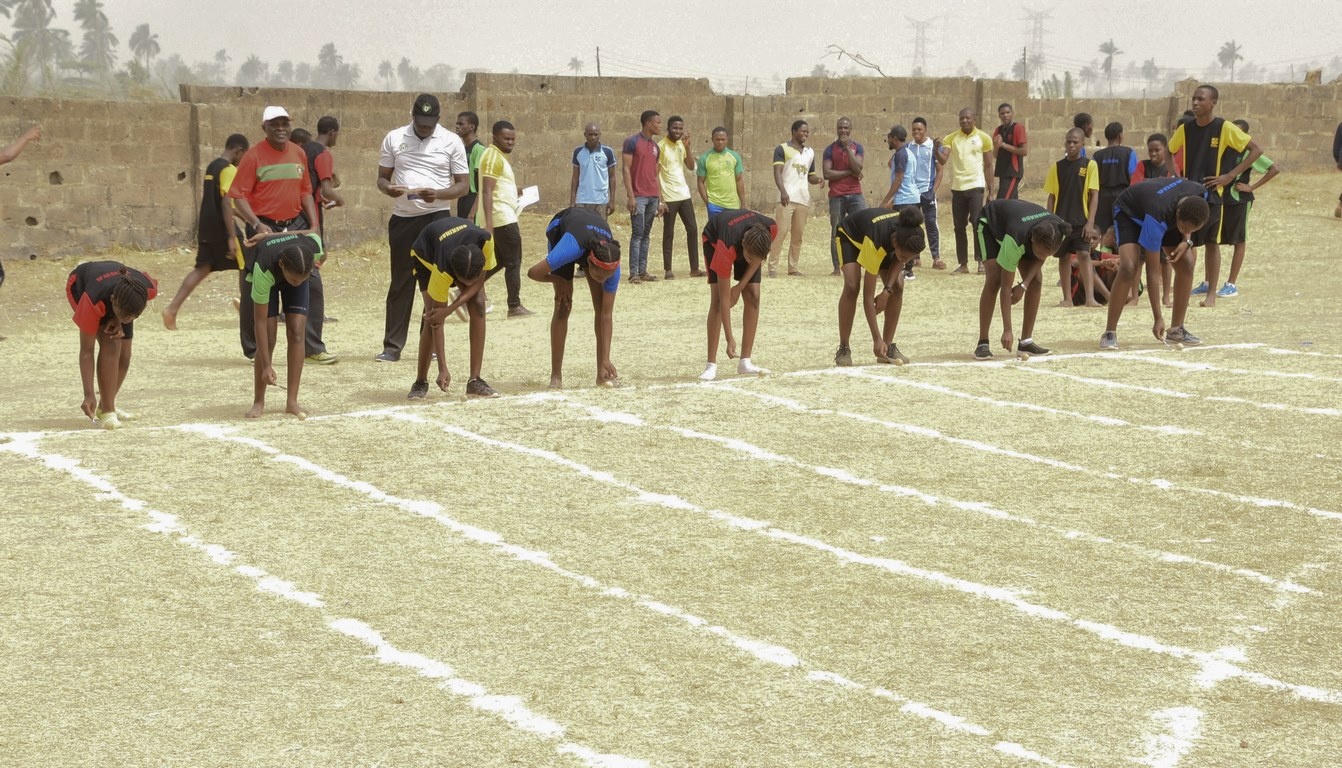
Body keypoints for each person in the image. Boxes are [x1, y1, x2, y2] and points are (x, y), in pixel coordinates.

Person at [375, 94, 469, 362]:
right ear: (412, 115)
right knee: (401, 282)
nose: (424, 128)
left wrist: (438, 194)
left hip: (437, 219)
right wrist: (389, 189)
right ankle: (392, 347)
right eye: (420, 122)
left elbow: (463, 184)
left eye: (430, 124)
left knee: (435, 283)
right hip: (403, 219)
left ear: (438, 119)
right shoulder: (394, 138)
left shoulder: (451, 141)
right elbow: (382, 178)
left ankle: (433, 344)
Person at [229, 106, 320, 361]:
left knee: (306, 279)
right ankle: (256, 351)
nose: (280, 128)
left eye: (284, 123)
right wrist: (257, 224)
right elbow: (238, 197)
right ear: (264, 128)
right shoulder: (253, 156)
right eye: (274, 124)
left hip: (294, 226)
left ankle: (313, 346)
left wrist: (314, 224)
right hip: (263, 228)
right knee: (257, 287)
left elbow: (305, 192)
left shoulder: (299, 153)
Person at [1169, 84, 1262, 308]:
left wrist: (1229, 176)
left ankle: (1211, 294)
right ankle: (1181, 292)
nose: (1195, 102)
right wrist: (1178, 177)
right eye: (1194, 98)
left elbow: (1256, 150)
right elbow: (1169, 151)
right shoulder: (1186, 129)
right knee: (1186, 242)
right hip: (1189, 194)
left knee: (1212, 242)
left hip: (1213, 195)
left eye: (1201, 99)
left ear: (1213, 103)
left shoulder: (1225, 128)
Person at [1099, 178, 1211, 350]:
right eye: (1184, 228)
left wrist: (1186, 240)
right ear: (1178, 213)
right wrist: (1157, 317)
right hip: (1129, 213)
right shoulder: (1158, 215)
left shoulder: (1200, 194)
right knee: (1129, 267)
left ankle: (1176, 330)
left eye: (1191, 231)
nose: (1187, 232)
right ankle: (1109, 332)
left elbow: (1188, 226)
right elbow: (1152, 272)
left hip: (1165, 215)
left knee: (1187, 263)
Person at [527, 207, 623, 388]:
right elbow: (533, 273)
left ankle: (602, 374)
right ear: (588, 263)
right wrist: (558, 280)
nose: (603, 280)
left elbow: (606, 315)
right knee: (563, 305)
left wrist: (606, 358)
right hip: (564, 228)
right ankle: (556, 376)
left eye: (606, 278)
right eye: (598, 276)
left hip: (591, 232)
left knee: (600, 304)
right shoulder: (569, 248)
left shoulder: (612, 267)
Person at [406, 216, 500, 399]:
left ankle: (475, 381)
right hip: (425, 254)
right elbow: (436, 321)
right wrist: (443, 368)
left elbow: (479, 281)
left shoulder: (486, 242)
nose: (467, 285)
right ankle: (420, 381)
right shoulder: (442, 270)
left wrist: (451, 308)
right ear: (454, 275)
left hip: (457, 249)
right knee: (430, 316)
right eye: (464, 282)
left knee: (479, 305)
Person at [162, 133, 248, 331]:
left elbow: (219, 201)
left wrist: (243, 216)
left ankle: (172, 309)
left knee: (202, 268)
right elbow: (226, 202)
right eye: (243, 156)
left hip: (207, 228)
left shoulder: (213, 166)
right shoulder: (229, 169)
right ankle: (247, 306)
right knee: (248, 264)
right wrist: (232, 236)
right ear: (238, 151)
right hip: (223, 229)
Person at [974, 200, 1069, 360]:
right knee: (995, 278)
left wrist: (1024, 285)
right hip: (991, 226)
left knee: (1036, 280)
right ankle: (983, 342)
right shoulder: (1016, 238)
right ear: (1033, 240)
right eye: (1040, 253)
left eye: (1048, 254)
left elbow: (1042, 257)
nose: (1043, 257)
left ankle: (1026, 341)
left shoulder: (1059, 229)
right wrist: (1007, 329)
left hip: (1019, 230)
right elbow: (1006, 288)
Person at [66, 262, 157, 429]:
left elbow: (127, 313)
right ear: (113, 301)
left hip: (123, 302)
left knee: (125, 356)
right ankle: (108, 412)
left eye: (133, 317)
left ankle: (106, 405)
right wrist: (88, 394)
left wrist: (119, 318)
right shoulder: (92, 301)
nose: (128, 320)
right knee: (112, 344)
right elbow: (86, 351)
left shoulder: (144, 291)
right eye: (124, 316)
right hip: (80, 286)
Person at [833, 206, 926, 367]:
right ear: (896, 242)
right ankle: (844, 347)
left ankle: (887, 347)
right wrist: (876, 338)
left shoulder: (912, 233)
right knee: (852, 285)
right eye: (904, 256)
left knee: (898, 286)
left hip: (884, 244)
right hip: (851, 237)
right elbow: (868, 297)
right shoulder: (877, 240)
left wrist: (887, 291)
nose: (905, 261)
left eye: (908, 259)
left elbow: (899, 260)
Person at [243, 232, 320, 419]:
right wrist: (267, 366)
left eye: (304, 278)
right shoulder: (264, 268)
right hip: (269, 278)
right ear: (282, 265)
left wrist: (299, 280)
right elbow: (259, 322)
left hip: (295, 269)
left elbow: (309, 234)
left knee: (297, 333)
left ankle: (292, 401)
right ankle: (258, 401)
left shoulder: (313, 249)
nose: (298, 284)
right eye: (295, 280)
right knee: (268, 338)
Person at [699, 209, 777, 381]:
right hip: (714, 240)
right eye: (748, 257)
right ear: (743, 244)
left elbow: (756, 260)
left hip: (749, 246)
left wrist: (740, 287)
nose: (750, 261)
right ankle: (711, 364)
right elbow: (725, 297)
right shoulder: (726, 245)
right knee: (719, 301)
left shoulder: (770, 229)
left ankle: (745, 362)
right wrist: (729, 338)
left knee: (754, 296)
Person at [295, 116, 344, 365]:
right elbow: (326, 189)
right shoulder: (323, 153)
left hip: (294, 219)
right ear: (332, 132)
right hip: (309, 223)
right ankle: (312, 346)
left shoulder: (302, 150)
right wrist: (341, 199)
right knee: (313, 286)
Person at [1217, 119, 1281, 298]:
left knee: (1239, 240)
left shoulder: (1248, 153)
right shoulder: (1223, 150)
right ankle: (1208, 282)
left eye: (1240, 133)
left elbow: (1274, 169)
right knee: (1212, 240)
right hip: (1221, 199)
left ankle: (1231, 284)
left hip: (1239, 200)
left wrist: (1251, 187)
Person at [476, 119, 532, 318]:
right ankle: (514, 305)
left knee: (499, 261)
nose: (511, 142)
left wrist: (513, 190)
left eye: (513, 139)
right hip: (502, 219)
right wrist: (489, 224)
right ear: (495, 137)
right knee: (513, 261)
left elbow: (495, 186)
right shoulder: (492, 156)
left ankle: (469, 287)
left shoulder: (497, 156)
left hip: (503, 215)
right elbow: (487, 191)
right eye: (506, 138)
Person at [1043, 128, 1101, 307]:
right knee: (1064, 258)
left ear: (1083, 143)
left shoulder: (1090, 165)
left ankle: (1090, 298)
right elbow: (1051, 196)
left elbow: (1094, 195)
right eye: (1068, 141)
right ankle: (1067, 298)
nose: (1071, 145)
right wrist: (1051, 220)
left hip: (1081, 221)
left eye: (1075, 142)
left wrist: (1090, 222)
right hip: (1061, 222)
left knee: (1084, 254)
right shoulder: (1057, 167)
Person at [942, 108, 994, 273]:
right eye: (961, 118)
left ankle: (980, 262)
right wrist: (937, 151)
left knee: (977, 224)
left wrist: (991, 189)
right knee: (959, 226)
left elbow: (988, 165)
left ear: (974, 120)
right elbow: (943, 159)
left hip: (976, 187)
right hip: (958, 188)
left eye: (967, 118)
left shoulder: (984, 138)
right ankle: (963, 264)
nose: (964, 121)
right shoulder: (951, 138)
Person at [768, 119, 822, 278]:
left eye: (807, 132)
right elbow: (777, 172)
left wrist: (818, 179)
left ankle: (793, 267)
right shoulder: (782, 149)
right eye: (803, 131)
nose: (805, 134)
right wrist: (782, 191)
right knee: (781, 233)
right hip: (786, 198)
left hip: (803, 199)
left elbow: (810, 176)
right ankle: (772, 267)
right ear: (794, 131)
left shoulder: (810, 152)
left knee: (798, 236)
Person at [1132, 133, 1177, 307]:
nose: (1153, 154)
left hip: (1165, 219)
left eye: (1157, 150)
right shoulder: (1142, 165)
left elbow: (1171, 188)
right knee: (1140, 260)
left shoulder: (1171, 167)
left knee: (1166, 261)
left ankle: (1166, 297)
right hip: (1145, 219)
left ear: (1165, 149)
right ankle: (1134, 296)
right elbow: (1136, 186)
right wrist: (1158, 183)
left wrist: (1148, 182)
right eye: (1150, 150)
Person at [621, 110, 664, 284]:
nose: (660, 125)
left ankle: (643, 270)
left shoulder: (655, 147)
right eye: (658, 122)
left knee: (646, 234)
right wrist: (631, 196)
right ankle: (634, 273)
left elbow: (655, 175)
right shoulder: (632, 142)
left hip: (653, 196)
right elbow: (625, 169)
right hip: (639, 196)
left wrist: (660, 200)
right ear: (648, 123)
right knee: (637, 233)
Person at [658, 116, 702, 279]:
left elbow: (691, 166)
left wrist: (688, 147)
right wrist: (660, 199)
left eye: (680, 128)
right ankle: (668, 269)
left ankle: (694, 268)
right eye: (675, 128)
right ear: (668, 129)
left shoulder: (681, 145)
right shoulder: (661, 147)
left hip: (684, 195)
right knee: (669, 232)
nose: (678, 131)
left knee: (692, 229)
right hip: (669, 196)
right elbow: (655, 174)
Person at [823, 117, 866, 276]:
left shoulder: (857, 148)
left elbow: (859, 166)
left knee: (863, 227)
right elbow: (827, 173)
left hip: (856, 194)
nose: (843, 131)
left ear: (851, 129)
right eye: (840, 128)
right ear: (836, 129)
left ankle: (861, 263)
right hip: (837, 196)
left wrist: (848, 149)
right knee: (836, 231)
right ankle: (836, 267)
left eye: (846, 128)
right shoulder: (829, 149)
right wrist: (850, 172)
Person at [877, 125, 921, 280]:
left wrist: (886, 200)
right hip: (913, 197)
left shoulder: (901, 154)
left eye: (889, 138)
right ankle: (908, 269)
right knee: (910, 232)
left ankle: (902, 268)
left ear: (895, 139)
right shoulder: (908, 152)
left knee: (900, 234)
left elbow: (899, 179)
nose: (887, 140)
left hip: (904, 199)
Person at [1092, 121, 1137, 252]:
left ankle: (1103, 261)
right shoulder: (1129, 153)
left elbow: (1093, 179)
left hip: (1102, 197)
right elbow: (1132, 178)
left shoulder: (1097, 156)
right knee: (1121, 230)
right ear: (1120, 136)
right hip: (1122, 196)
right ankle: (1119, 260)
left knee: (1103, 233)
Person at [909, 117, 945, 270]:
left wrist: (933, 190)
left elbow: (940, 170)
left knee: (931, 223)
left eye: (919, 129)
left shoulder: (932, 147)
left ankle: (936, 257)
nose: (917, 132)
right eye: (914, 130)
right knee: (913, 225)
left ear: (925, 130)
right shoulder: (908, 147)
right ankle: (915, 257)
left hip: (927, 192)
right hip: (912, 193)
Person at [571, 122, 617, 218]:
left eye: (595, 134)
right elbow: (575, 177)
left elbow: (612, 177)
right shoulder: (578, 152)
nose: (593, 137)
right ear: (585, 135)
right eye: (590, 134)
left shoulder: (607, 152)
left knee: (600, 231)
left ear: (599, 135)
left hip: (601, 201)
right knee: (582, 230)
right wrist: (572, 200)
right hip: (582, 200)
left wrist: (612, 200)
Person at [697, 127, 745, 217]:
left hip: (733, 205)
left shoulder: (734, 156)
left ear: (727, 139)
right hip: (714, 205)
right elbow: (700, 182)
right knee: (715, 231)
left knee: (732, 231)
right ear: (712, 140)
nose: (720, 142)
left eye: (723, 139)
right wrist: (708, 203)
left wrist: (743, 203)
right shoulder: (704, 158)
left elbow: (739, 180)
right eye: (717, 139)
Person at [991, 103, 1028, 200]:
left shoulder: (1018, 128)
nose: (1005, 115)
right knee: (1012, 202)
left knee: (1003, 201)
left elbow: (1024, 151)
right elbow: (995, 155)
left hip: (1012, 171)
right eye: (1002, 113)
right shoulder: (998, 130)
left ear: (1012, 113)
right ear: (999, 115)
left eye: (1008, 112)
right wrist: (996, 145)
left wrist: (1003, 144)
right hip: (1002, 171)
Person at [454, 111, 486, 219]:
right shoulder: (461, 149)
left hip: (473, 198)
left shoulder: (479, 149)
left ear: (472, 127)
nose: (457, 127)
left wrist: (472, 213)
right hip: (463, 197)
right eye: (457, 124)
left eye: (461, 124)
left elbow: (482, 184)